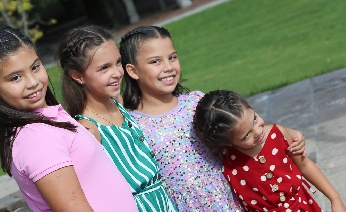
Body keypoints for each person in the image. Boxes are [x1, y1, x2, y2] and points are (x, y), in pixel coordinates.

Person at [119, 25, 307, 211]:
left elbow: (243, 132)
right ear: (133, 71)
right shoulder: (131, 125)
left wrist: (288, 135)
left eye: (172, 57)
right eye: (155, 61)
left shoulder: (197, 103)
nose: (168, 67)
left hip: (232, 198)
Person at [0, 25, 138, 212]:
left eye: (35, 67)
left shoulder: (45, 120)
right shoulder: (38, 138)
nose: (33, 82)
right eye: (15, 78)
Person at [57, 25, 178, 212]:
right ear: (77, 76)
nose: (117, 73)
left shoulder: (118, 103)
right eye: (104, 68)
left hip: (165, 202)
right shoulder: (88, 129)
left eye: (118, 62)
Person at [193, 89, 346, 211]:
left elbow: (305, 165)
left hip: (302, 207)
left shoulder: (278, 134)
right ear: (226, 142)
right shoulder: (226, 157)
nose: (258, 132)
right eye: (246, 135)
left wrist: (335, 198)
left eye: (254, 119)